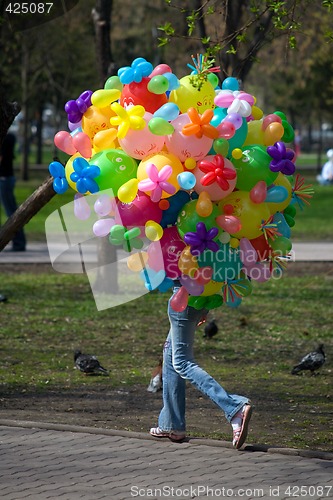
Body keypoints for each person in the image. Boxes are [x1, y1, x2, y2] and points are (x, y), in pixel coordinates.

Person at [150, 281, 252, 449]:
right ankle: (171, 424)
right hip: (200, 295)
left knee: (182, 362)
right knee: (169, 354)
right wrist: (204, 305)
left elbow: (174, 264)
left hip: (184, 296)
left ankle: (235, 407)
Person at [0, 132, 26, 251]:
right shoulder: (9, 136)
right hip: (5, 179)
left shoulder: (7, 137)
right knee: (11, 210)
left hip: (4, 179)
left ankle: (19, 242)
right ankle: (18, 241)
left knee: (11, 212)